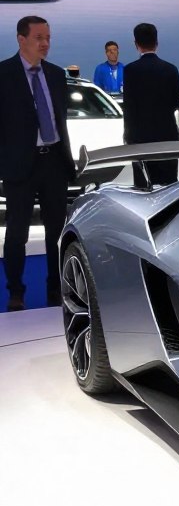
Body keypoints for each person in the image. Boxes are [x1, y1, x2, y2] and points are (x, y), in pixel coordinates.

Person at [0, 16, 74, 311]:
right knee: (17, 233)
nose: (45, 43)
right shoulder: (4, 74)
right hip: (20, 165)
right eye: (38, 37)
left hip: (54, 162)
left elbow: (60, 119)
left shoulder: (56, 74)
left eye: (48, 37)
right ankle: (16, 291)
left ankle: (56, 290)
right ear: (21, 39)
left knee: (57, 232)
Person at [121, 22, 179, 187]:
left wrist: (128, 135)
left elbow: (129, 107)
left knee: (143, 187)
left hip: (140, 137)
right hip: (167, 135)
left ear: (136, 44)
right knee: (169, 186)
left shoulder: (130, 70)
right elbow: (177, 103)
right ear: (157, 42)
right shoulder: (171, 69)